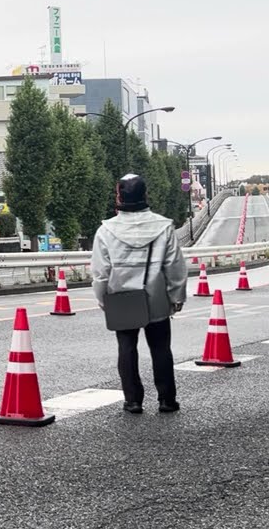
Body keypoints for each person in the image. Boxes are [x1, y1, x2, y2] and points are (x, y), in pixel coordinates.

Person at [91, 174, 188, 415]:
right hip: (155, 296)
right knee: (161, 348)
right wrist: (177, 296)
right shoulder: (164, 227)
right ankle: (167, 400)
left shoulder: (106, 230)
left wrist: (102, 298)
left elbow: (100, 272)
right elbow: (174, 266)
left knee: (126, 347)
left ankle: (133, 400)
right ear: (144, 195)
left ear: (119, 196)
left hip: (121, 296)